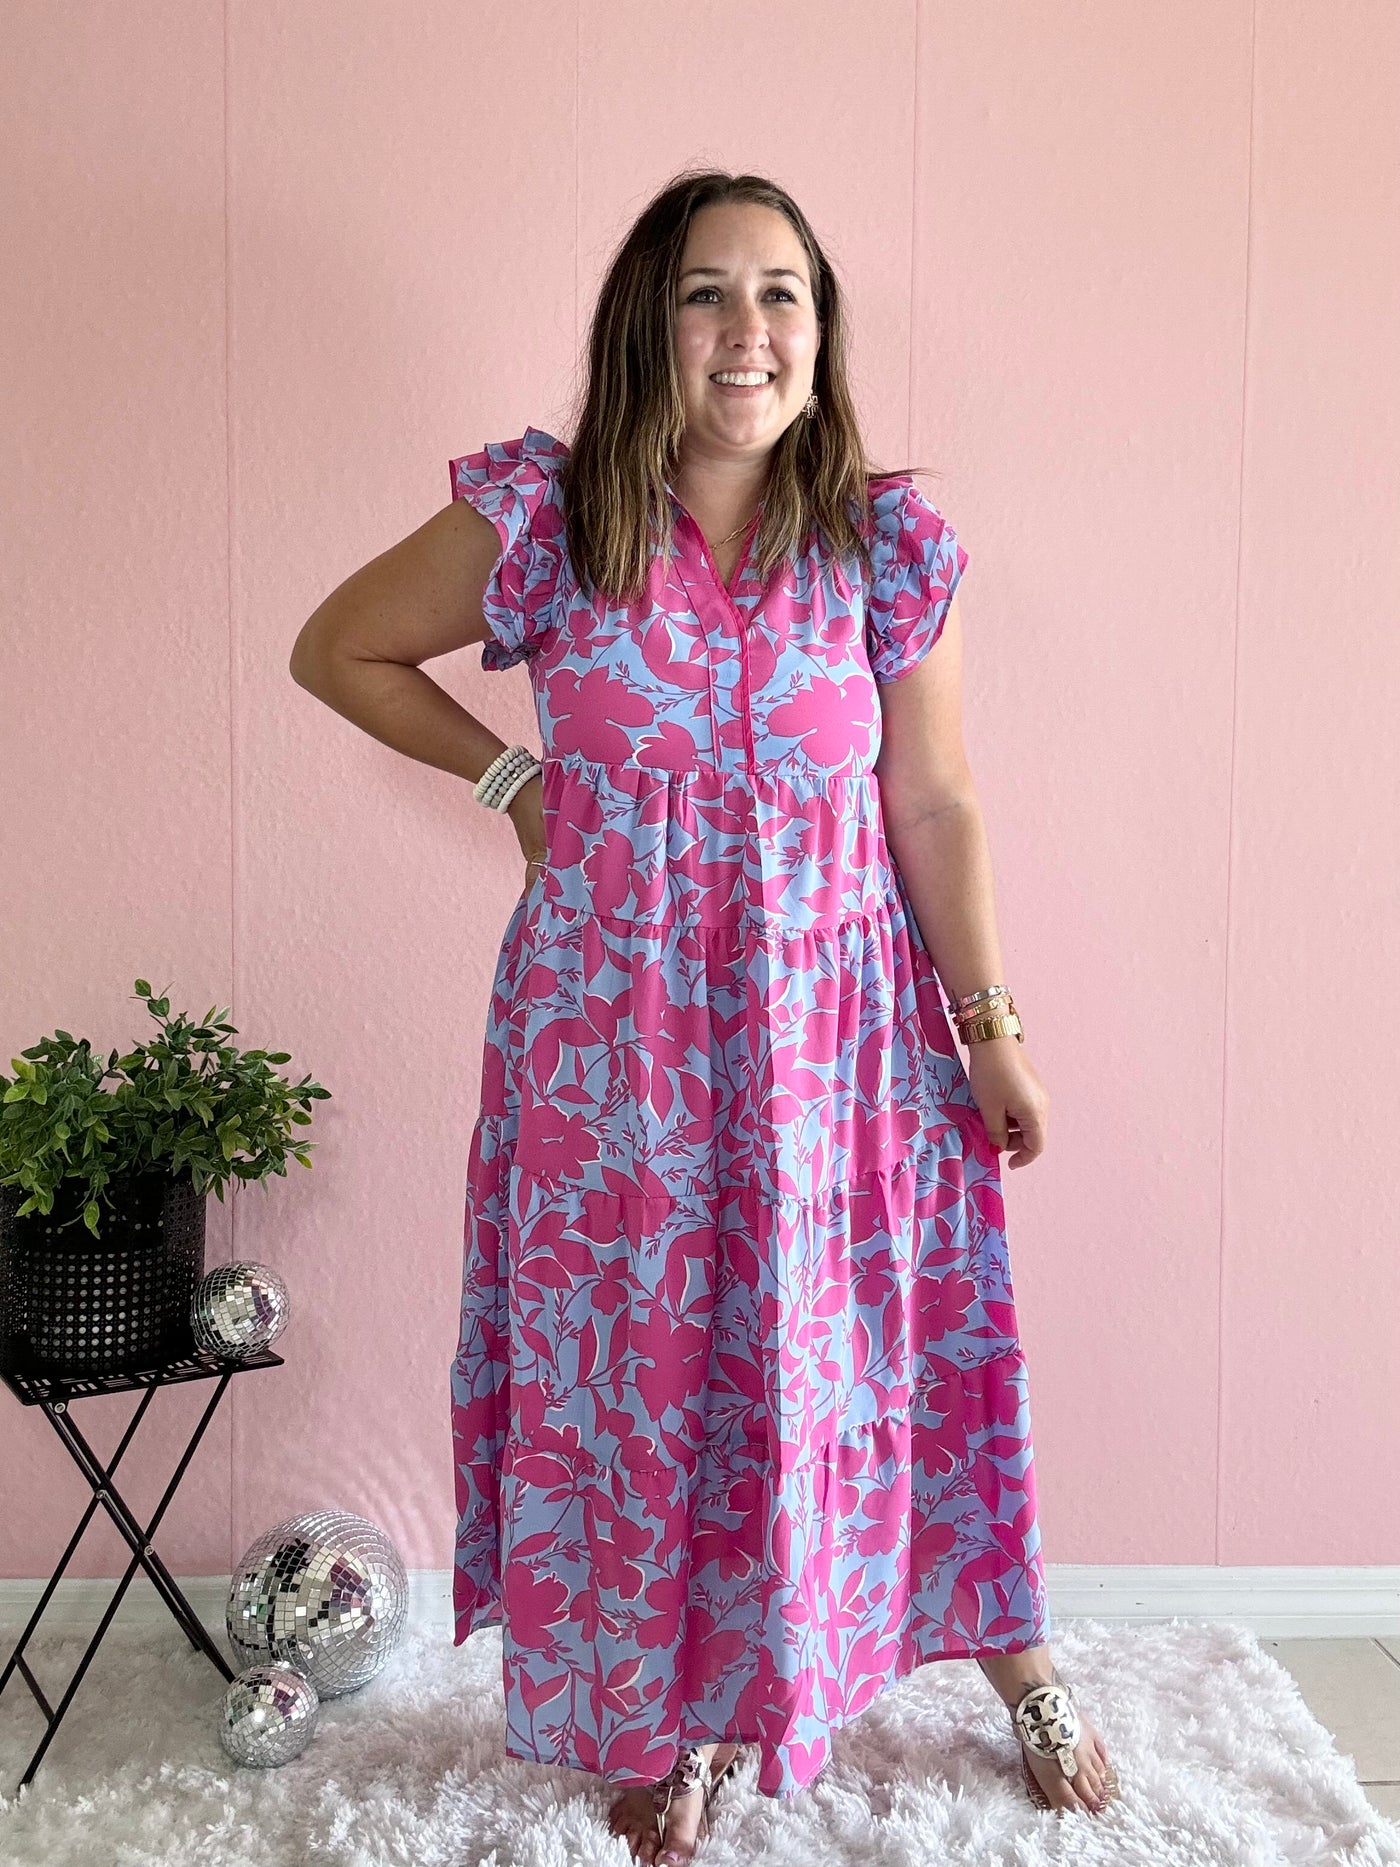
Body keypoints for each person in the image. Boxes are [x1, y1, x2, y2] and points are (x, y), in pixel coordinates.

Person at [290, 168, 1119, 1864]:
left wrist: (991, 1022)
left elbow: (935, 803)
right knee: (657, 1374)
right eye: (707, 294)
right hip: (619, 1038)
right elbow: (341, 649)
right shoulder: (545, 517)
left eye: (783, 295)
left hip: (837, 1038)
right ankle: (695, 1715)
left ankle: (1015, 1655)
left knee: (860, 1351)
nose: (750, 331)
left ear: (822, 333)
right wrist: (513, 775)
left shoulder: (884, 544)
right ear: (646, 324)